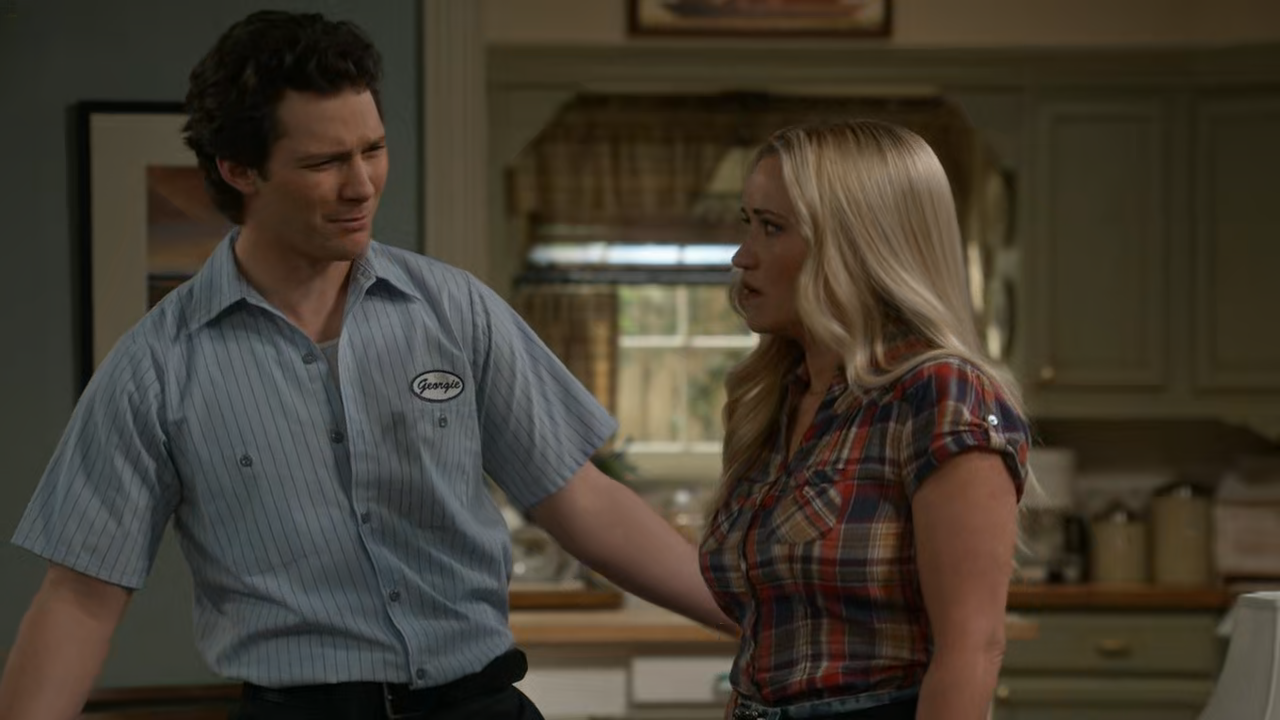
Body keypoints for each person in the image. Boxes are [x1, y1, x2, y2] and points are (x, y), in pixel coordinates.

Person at [0, 10, 731, 720]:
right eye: (324, 162)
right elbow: (80, 598)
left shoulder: (455, 310)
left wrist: (757, 623)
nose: (362, 185)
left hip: (479, 704)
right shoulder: (155, 366)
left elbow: (582, 502)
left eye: (372, 149)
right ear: (238, 169)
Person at [700, 119, 1033, 720]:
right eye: (747, 223)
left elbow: (971, 649)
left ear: (854, 247)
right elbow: (764, 648)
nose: (741, 256)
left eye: (772, 227)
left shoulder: (937, 394)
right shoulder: (775, 398)